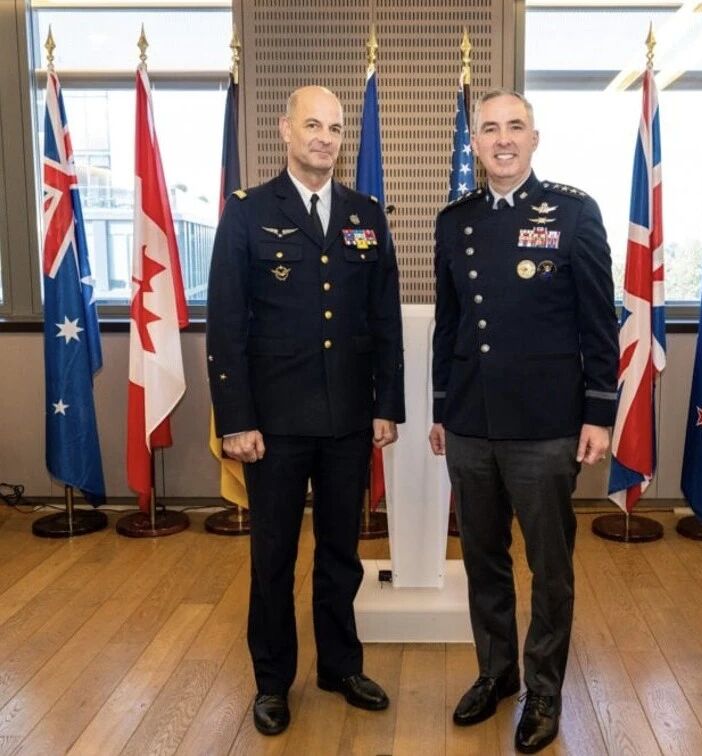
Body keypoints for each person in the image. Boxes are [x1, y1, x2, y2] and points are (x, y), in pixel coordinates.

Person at [207, 85, 405, 736]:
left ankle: (340, 667)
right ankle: (272, 682)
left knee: (341, 553)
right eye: (312, 125)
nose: (324, 137)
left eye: (335, 128)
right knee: (273, 557)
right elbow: (226, 325)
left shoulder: (365, 214)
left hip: (348, 418)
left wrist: (387, 404)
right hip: (274, 424)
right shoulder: (248, 212)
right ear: (285, 131)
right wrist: (236, 419)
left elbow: (384, 318)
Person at [429, 89, 618, 754]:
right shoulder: (455, 221)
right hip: (471, 423)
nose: (503, 139)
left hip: (546, 425)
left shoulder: (573, 211)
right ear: (475, 143)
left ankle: (543, 689)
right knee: (483, 558)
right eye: (490, 129)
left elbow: (599, 321)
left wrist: (599, 413)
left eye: (515, 127)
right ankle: (496, 672)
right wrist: (441, 408)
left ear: (535, 138)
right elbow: (450, 324)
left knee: (549, 566)